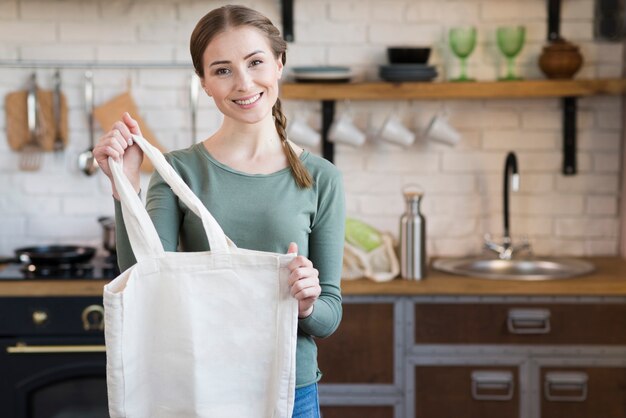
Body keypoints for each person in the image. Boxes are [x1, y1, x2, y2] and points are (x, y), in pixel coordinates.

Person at [93, 4, 345, 417]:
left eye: (256, 62)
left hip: (290, 388)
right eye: (223, 70)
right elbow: (143, 281)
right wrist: (126, 186)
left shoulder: (321, 178)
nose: (244, 83)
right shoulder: (178, 171)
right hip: (199, 385)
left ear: (279, 64)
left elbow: (329, 317)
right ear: (204, 83)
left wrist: (307, 303)